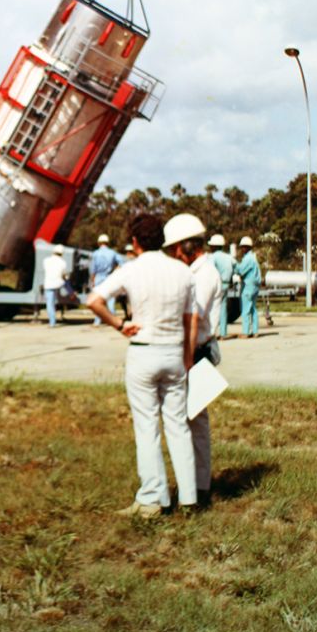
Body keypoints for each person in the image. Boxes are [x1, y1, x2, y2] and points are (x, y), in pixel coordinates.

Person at [86, 213, 197, 518]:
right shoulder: (183, 271)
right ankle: (189, 496)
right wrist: (187, 357)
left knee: (147, 426)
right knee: (177, 424)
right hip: (174, 351)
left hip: (143, 351)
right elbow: (190, 319)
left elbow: (93, 300)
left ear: (134, 242)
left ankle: (152, 498)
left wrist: (120, 324)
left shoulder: (131, 270)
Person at [164, 214, 222, 508]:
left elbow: (193, 318)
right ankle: (198, 484)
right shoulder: (197, 271)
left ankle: (199, 488)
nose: (174, 254)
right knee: (191, 420)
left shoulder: (204, 274)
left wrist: (185, 358)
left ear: (189, 247)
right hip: (195, 351)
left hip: (197, 353)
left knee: (194, 422)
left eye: (176, 248)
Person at [89, 234, 124, 326]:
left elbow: (93, 269)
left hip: (98, 277)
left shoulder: (95, 253)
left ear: (99, 243)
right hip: (109, 277)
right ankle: (113, 320)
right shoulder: (112, 253)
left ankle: (97, 321)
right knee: (111, 299)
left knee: (97, 299)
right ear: (107, 242)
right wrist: (115, 272)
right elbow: (122, 262)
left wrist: (92, 280)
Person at [208, 234, 235, 339]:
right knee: (223, 308)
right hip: (226, 284)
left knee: (213, 308)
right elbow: (235, 267)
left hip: (217, 284)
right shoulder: (228, 257)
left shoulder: (213, 257)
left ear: (214, 246)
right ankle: (223, 333)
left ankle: (212, 332)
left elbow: (210, 271)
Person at [235, 236, 261, 338]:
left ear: (247, 248)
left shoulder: (247, 259)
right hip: (255, 286)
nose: (242, 249)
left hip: (248, 286)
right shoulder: (254, 258)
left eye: (243, 247)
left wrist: (235, 266)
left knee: (245, 309)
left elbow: (240, 271)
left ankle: (246, 332)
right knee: (253, 309)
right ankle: (255, 331)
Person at [43, 243, 68, 327]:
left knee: (50, 304)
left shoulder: (46, 261)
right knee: (66, 283)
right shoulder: (63, 262)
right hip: (59, 284)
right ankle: (71, 294)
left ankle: (52, 322)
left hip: (49, 284)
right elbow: (64, 275)